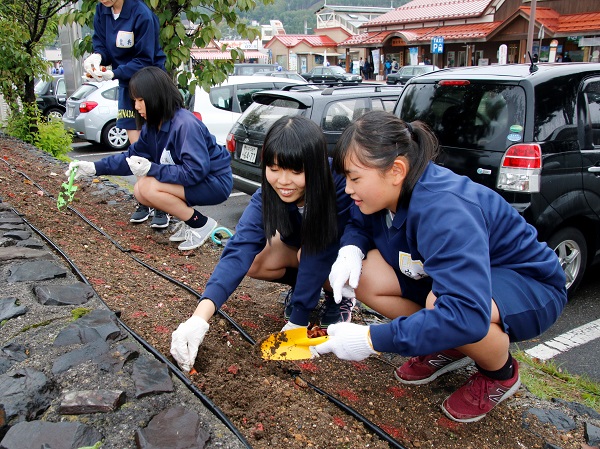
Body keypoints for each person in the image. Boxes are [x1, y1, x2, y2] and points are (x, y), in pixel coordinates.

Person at [314, 110, 567, 423]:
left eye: (354, 178)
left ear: (396, 170)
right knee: (364, 276)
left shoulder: (445, 210)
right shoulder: (386, 193)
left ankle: (500, 374)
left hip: (528, 281)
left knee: (447, 307)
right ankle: (450, 345)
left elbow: (464, 312)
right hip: (457, 279)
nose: (348, 189)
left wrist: (370, 339)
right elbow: (360, 223)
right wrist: (350, 249)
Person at [170, 116, 355, 373]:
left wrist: (298, 319)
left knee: (309, 255)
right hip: (306, 250)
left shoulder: (339, 186)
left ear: (315, 167)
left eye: (296, 171)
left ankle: (340, 299)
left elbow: (319, 252)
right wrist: (200, 316)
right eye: (275, 168)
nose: (283, 181)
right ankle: (303, 289)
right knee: (256, 261)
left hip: (344, 254)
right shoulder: (268, 194)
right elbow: (239, 248)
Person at [66, 67, 232, 251]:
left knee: (147, 186)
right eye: (135, 100)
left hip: (214, 181)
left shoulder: (185, 125)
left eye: (141, 100)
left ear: (156, 96)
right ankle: (189, 221)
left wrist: (151, 169)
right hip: (196, 179)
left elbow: (195, 171)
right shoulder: (153, 126)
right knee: (140, 191)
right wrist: (93, 167)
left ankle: (200, 224)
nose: (136, 107)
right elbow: (131, 158)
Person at [83, 0, 168, 227]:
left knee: (156, 146)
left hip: (149, 83)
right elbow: (101, 43)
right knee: (136, 147)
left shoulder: (141, 14)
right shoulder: (103, 10)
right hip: (125, 85)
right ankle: (144, 200)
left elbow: (145, 58)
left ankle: (162, 204)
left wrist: (113, 74)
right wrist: (97, 58)